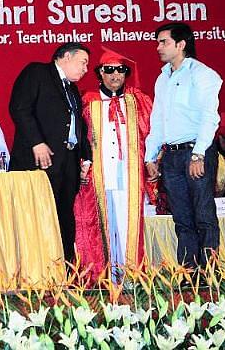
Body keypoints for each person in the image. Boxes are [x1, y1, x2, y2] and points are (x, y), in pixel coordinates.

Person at [144, 22, 222, 269]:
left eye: (163, 42)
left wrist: (199, 154)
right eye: (158, 42)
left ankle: (211, 275)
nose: (158, 47)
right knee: (182, 219)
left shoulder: (202, 74)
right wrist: (150, 156)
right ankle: (189, 274)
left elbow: (210, 117)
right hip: (171, 156)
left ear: (181, 44)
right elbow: (158, 119)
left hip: (196, 152)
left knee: (203, 216)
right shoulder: (162, 78)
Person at [73, 47, 154, 281]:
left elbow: (151, 133)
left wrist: (152, 161)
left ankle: (131, 277)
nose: (115, 75)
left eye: (120, 70)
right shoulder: (87, 101)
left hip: (129, 173)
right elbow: (78, 138)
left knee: (128, 222)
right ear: (100, 73)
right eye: (109, 70)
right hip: (99, 174)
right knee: (102, 223)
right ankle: (102, 277)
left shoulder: (138, 101)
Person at [8, 42, 92, 262]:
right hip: (39, 161)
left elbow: (78, 124)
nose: (85, 69)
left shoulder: (72, 89)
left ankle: (66, 268)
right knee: (36, 216)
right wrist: (37, 142)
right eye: (83, 63)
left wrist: (86, 159)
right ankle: (36, 268)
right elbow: (20, 108)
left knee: (64, 217)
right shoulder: (37, 72)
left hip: (67, 163)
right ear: (66, 57)